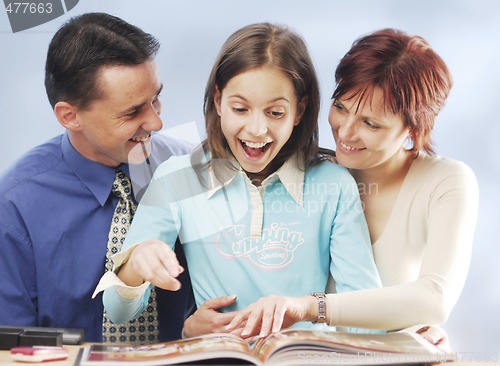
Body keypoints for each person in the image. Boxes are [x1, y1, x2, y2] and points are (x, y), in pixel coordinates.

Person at [95, 22, 383, 338]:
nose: (256, 129)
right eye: (240, 108)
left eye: (275, 113)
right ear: (218, 101)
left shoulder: (334, 184)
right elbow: (119, 311)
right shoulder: (180, 178)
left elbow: (366, 311)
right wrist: (137, 264)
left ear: (299, 111)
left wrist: (413, 331)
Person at [223, 28, 479, 345]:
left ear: (413, 129)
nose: (345, 133)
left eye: (371, 124)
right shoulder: (311, 174)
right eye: (341, 108)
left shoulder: (445, 181)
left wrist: (310, 307)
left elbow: (434, 298)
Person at [0, 12, 194, 343]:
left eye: (156, 99)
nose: (157, 123)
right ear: (70, 116)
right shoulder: (15, 206)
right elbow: (10, 349)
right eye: (133, 112)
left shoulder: (190, 169)